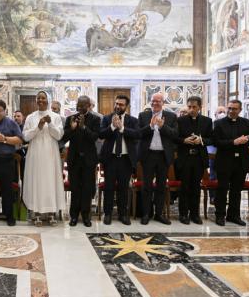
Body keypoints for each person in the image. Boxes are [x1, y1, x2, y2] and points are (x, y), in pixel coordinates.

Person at [23, 91, 65, 226]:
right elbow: (26, 136)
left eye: (43, 98)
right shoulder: (30, 117)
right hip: (35, 154)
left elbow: (58, 136)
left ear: (48, 100)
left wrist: (50, 124)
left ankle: (52, 213)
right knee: (37, 181)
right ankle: (36, 213)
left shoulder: (56, 116)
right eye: (38, 98)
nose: (41, 100)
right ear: (36, 100)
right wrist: (38, 127)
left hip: (50, 154)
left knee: (50, 181)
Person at [213, 100, 249, 226]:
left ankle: (234, 215)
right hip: (224, 161)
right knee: (222, 189)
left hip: (241, 162)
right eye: (230, 108)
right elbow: (216, 142)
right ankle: (220, 215)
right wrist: (233, 142)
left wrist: (245, 141)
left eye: (235, 109)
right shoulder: (218, 123)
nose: (231, 111)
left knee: (236, 190)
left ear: (240, 110)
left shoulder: (247, 123)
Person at [138, 93, 178, 225]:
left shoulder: (171, 116)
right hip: (148, 155)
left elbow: (174, 135)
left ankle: (158, 214)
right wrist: (150, 126)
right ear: (150, 102)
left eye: (158, 101)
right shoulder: (143, 115)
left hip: (163, 156)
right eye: (153, 101)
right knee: (146, 186)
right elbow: (139, 134)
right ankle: (146, 214)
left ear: (163, 103)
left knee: (161, 186)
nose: (155, 103)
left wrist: (162, 127)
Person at [99, 95, 140, 225]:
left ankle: (123, 214)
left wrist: (122, 128)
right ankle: (108, 213)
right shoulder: (106, 118)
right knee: (109, 187)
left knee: (124, 188)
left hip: (125, 160)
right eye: (116, 103)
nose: (118, 106)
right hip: (110, 159)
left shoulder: (132, 120)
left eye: (121, 104)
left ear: (126, 106)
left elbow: (137, 135)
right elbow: (101, 134)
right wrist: (112, 126)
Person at [62, 95, 101, 227]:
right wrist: (72, 128)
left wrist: (84, 127)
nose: (80, 107)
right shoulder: (70, 118)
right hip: (74, 159)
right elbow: (64, 137)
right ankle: (73, 216)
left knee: (87, 189)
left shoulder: (95, 119)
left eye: (83, 104)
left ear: (89, 106)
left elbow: (95, 137)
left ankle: (86, 216)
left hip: (89, 160)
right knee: (75, 188)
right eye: (78, 104)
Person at [176, 96, 213, 225]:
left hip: (199, 158)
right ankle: (183, 214)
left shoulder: (207, 121)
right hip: (185, 158)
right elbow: (175, 138)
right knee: (184, 187)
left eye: (194, 107)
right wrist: (184, 140)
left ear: (200, 107)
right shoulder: (180, 120)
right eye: (189, 107)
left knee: (196, 188)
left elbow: (211, 139)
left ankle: (195, 214)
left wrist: (201, 141)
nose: (191, 110)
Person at [208, 106, 227, 204]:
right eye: (220, 112)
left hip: (226, 154)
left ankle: (222, 197)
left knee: (224, 177)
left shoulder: (228, 124)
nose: (222, 113)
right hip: (213, 154)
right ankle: (212, 197)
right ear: (215, 114)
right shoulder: (211, 124)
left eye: (224, 112)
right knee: (213, 176)